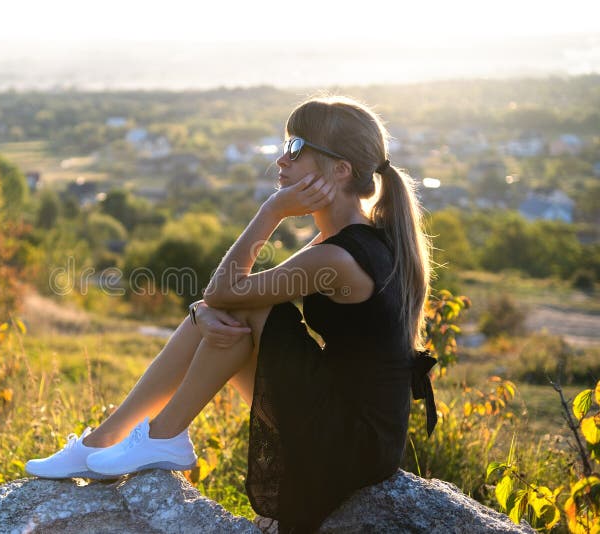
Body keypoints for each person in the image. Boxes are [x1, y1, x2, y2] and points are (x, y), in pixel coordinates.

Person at [25, 95, 437, 533]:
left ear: (340, 170)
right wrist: (204, 311)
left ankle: (161, 436)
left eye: (297, 148)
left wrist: (271, 211)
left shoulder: (337, 258)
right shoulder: (340, 242)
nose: (282, 159)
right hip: (354, 428)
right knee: (233, 315)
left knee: (248, 313)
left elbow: (228, 292)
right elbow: (226, 297)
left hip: (350, 442)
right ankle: (108, 439)